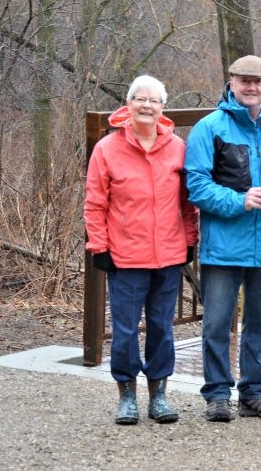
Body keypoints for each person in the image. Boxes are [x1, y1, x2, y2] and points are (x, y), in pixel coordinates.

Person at [185, 55, 261, 422]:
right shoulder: (210, 127)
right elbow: (196, 185)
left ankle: (254, 391)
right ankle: (218, 393)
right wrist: (239, 200)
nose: (251, 87)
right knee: (217, 323)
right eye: (243, 80)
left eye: (258, 81)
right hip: (224, 245)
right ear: (231, 82)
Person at [84, 75, 199, 425]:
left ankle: (159, 395)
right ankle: (127, 395)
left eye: (154, 100)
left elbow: (187, 201)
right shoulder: (107, 148)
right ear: (128, 104)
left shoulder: (178, 147)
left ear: (163, 107)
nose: (146, 105)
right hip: (126, 255)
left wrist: (190, 239)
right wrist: (98, 245)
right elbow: (94, 202)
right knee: (126, 329)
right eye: (139, 99)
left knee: (163, 328)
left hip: (168, 254)